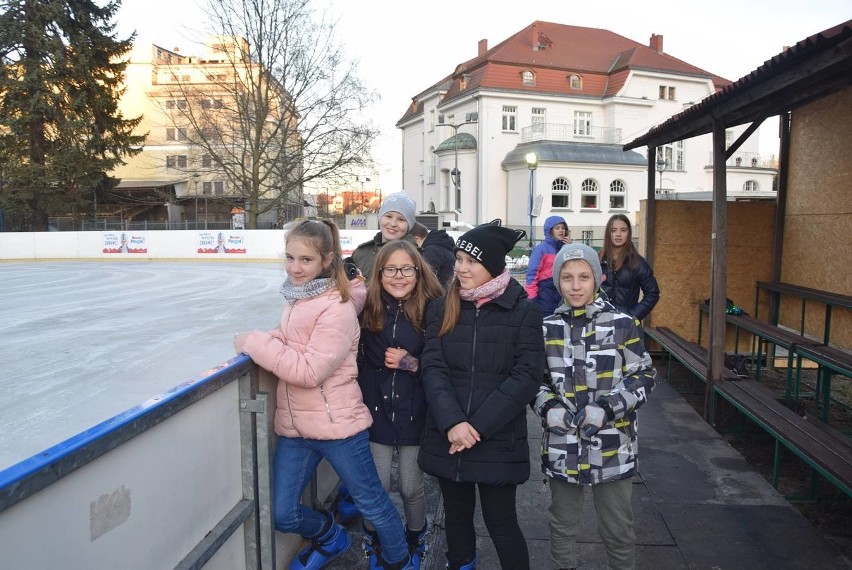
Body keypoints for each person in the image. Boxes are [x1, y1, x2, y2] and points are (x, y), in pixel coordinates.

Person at [234, 219, 414, 570]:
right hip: (296, 429)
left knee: (373, 503)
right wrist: (270, 339)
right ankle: (331, 536)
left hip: (338, 429)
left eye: (305, 260)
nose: (295, 268)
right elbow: (291, 341)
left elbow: (309, 371)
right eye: (290, 258)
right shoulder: (299, 299)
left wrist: (253, 343)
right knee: (282, 513)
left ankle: (399, 560)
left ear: (327, 260)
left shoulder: (337, 307)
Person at [418, 221, 545, 570]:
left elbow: (526, 377)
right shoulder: (442, 308)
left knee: (501, 523)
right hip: (450, 434)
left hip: (497, 437)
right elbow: (433, 369)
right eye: (459, 259)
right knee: (456, 521)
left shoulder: (524, 312)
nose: (460, 268)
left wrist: (476, 428)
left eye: (470, 261)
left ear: (492, 265)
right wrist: (453, 423)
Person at [533, 243, 657, 570]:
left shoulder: (623, 324)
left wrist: (608, 407)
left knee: (617, 529)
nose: (576, 286)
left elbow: (643, 375)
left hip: (614, 448)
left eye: (584, 277)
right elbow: (535, 381)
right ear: (557, 281)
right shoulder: (546, 329)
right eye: (567, 277)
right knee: (562, 525)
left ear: (597, 278)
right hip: (564, 446)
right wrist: (548, 408)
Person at [358, 240, 445, 569]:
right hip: (376, 408)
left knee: (410, 487)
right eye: (390, 269)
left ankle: (416, 533)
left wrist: (413, 363)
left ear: (418, 271)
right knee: (376, 486)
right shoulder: (367, 305)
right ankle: (373, 538)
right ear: (379, 273)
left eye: (406, 269)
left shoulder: (433, 307)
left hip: (414, 409)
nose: (398, 276)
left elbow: (445, 359)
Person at [599, 214, 660, 321]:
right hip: (599, 323)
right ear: (608, 233)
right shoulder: (598, 260)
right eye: (614, 230)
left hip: (626, 327)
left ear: (629, 233)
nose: (618, 234)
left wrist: (632, 317)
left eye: (623, 230)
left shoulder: (638, 263)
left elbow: (652, 294)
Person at [351, 192, 418, 281]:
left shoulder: (415, 256)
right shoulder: (362, 253)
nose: (393, 224)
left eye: (401, 220)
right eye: (388, 216)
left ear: (409, 225)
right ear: (380, 217)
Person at [524, 215, 572, 316]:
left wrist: (569, 247)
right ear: (550, 231)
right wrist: (531, 297)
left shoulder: (565, 248)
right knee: (547, 320)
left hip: (562, 290)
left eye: (563, 228)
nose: (561, 231)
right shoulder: (541, 250)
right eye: (557, 228)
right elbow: (532, 274)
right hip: (545, 291)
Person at [409, 221, 455, 286]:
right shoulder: (441, 244)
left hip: (441, 290)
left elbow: (427, 276)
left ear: (417, 239)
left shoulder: (431, 250)